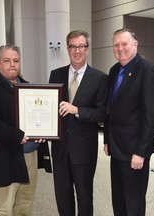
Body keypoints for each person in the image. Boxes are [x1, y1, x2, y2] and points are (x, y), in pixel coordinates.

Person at [0, 44, 51, 216]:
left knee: (25, 202)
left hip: (30, 155)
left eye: (16, 60)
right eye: (7, 60)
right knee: (2, 206)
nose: (12, 64)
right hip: (4, 156)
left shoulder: (28, 87)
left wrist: (43, 133)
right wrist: (17, 136)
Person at [49, 30, 108, 216]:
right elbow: (50, 109)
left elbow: (102, 113)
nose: (77, 51)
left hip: (84, 150)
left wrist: (78, 111)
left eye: (81, 46)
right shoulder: (56, 74)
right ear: (67, 49)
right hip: (59, 149)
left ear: (87, 49)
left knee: (84, 197)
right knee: (62, 196)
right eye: (73, 46)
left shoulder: (99, 78)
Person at [104, 29, 154, 216]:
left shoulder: (148, 70)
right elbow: (109, 109)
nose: (120, 49)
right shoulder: (114, 71)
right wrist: (106, 139)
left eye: (124, 44)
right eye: (116, 45)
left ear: (135, 45)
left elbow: (150, 115)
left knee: (133, 204)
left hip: (135, 151)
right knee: (118, 200)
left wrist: (141, 152)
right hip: (117, 148)